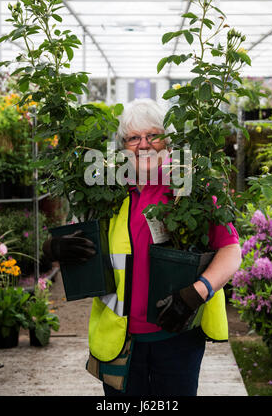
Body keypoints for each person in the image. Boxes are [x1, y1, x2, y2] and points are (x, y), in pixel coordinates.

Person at [43, 99, 241, 396]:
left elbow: (231, 250)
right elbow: (77, 237)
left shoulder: (191, 191)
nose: (144, 145)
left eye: (153, 135)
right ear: (122, 147)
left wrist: (196, 293)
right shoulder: (105, 194)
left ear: (168, 142)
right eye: (133, 138)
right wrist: (53, 248)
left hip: (178, 335)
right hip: (120, 340)